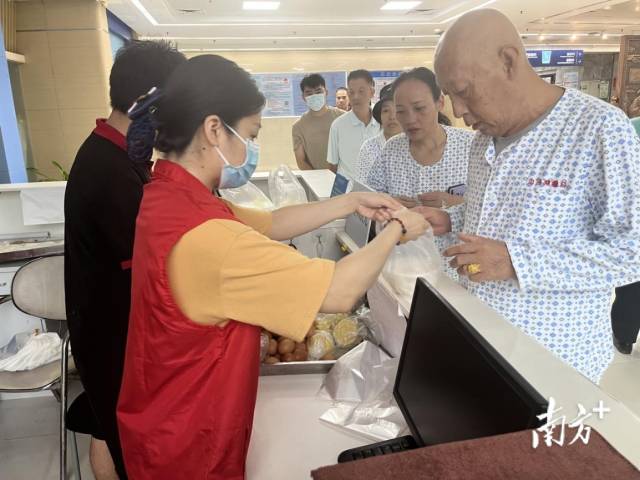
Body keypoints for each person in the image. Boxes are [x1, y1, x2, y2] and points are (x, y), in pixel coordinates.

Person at [116, 54, 428, 479]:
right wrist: (397, 229)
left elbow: (270, 224)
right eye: (250, 134)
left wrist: (352, 201)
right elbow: (339, 291)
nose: (251, 148)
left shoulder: (171, 197)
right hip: (189, 439)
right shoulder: (210, 238)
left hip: (162, 413)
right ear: (213, 129)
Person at [418, 9, 640, 384]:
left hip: (555, 362)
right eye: (449, 96)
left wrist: (516, 261)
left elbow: (632, 251)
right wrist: (450, 220)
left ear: (508, 61)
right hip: (479, 343)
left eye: (464, 91)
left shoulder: (598, 129)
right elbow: (493, 219)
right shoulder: (482, 140)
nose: (457, 111)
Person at [64, 40, 185, 479]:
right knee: (121, 435)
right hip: (112, 335)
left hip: (113, 329)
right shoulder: (107, 170)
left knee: (107, 426)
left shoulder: (120, 154)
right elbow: (156, 260)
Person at [366, 68, 473, 209]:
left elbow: (494, 205)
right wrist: (388, 204)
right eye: (401, 111)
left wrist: (456, 202)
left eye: (419, 108)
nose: (410, 119)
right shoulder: (392, 149)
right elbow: (369, 199)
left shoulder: (470, 146)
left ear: (440, 103)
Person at [611, 116, 640, 354]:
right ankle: (623, 334)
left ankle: (624, 336)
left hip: (631, 215)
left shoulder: (628, 126)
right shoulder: (628, 126)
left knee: (632, 282)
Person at [327, 70, 380, 180]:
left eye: (361, 91)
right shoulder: (337, 126)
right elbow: (332, 165)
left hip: (375, 189)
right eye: (351, 92)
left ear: (372, 92)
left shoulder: (382, 123)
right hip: (348, 189)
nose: (355, 97)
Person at [292, 74, 344, 170]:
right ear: (303, 97)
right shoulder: (298, 126)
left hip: (344, 176)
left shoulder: (342, 117)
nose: (314, 96)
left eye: (318, 92)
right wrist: (318, 177)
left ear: (326, 92)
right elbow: (301, 161)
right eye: (309, 93)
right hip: (315, 177)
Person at [356, 83, 402, 183]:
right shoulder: (369, 148)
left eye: (397, 110)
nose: (392, 117)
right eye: (386, 110)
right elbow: (362, 185)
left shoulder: (417, 146)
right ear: (380, 115)